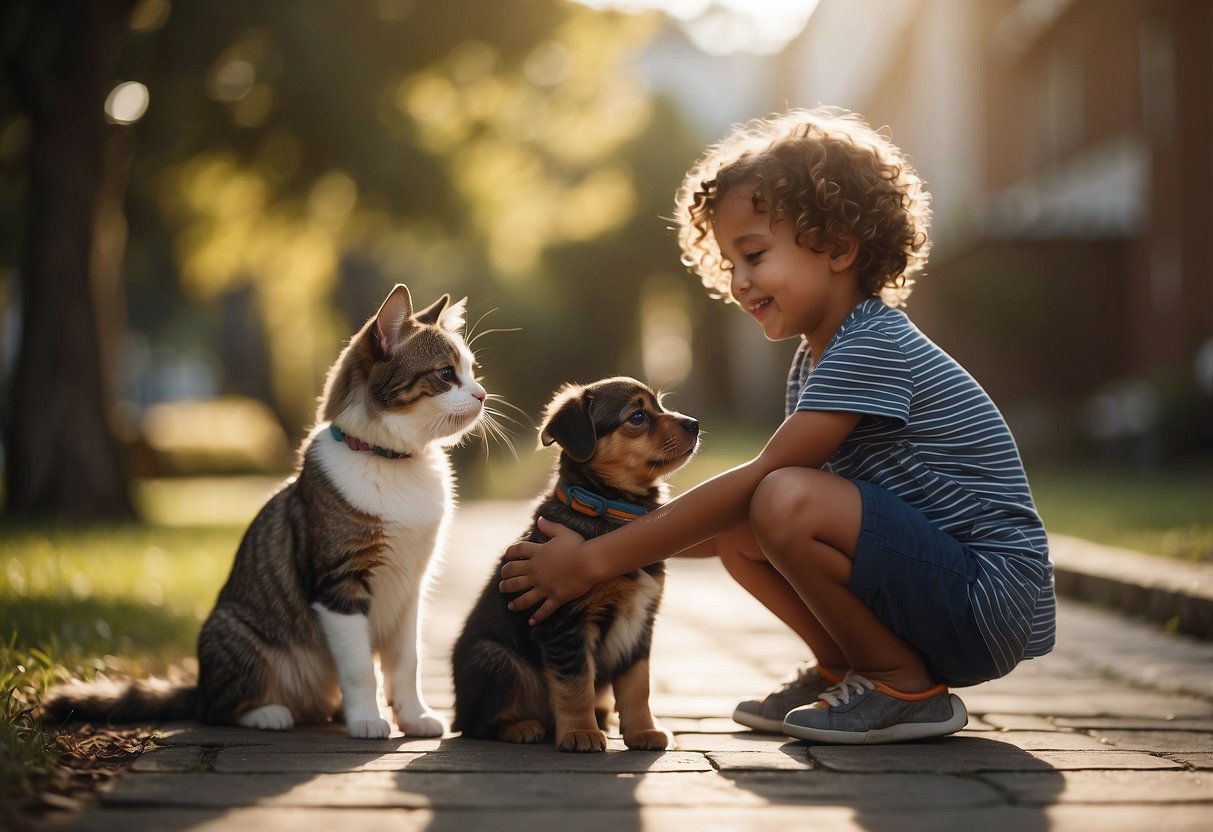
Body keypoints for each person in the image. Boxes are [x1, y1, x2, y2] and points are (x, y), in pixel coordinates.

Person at [499, 107, 1055, 745]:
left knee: (779, 496)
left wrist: (594, 561)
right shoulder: (817, 357)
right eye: (728, 264)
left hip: (988, 597)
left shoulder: (871, 343)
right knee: (746, 524)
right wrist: (589, 535)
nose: (737, 282)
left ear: (840, 247)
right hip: (939, 587)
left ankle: (901, 682)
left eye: (755, 255)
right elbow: (732, 522)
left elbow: (766, 482)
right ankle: (841, 667)